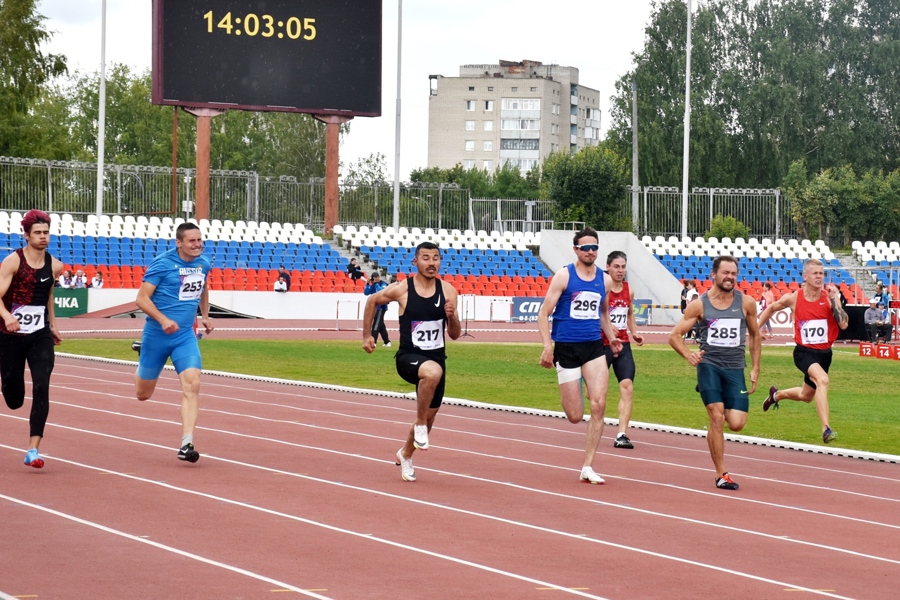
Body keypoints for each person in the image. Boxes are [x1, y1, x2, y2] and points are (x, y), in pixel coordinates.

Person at [362, 241, 461, 482]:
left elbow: (455, 334)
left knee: (431, 416)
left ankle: (406, 454)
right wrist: (367, 335)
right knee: (431, 375)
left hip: (437, 356)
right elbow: (372, 301)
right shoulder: (402, 289)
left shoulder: (448, 291)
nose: (431, 262)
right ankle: (418, 423)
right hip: (408, 357)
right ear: (415, 262)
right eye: (425, 258)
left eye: (435, 258)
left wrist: (452, 316)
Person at [538, 228, 622, 485]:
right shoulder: (564, 276)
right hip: (566, 348)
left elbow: (602, 313)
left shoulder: (605, 280)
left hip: (594, 348)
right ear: (576, 250)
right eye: (585, 248)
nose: (590, 252)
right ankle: (572, 385)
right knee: (575, 415)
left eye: (594, 247)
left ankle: (587, 465)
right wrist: (547, 346)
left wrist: (611, 335)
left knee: (598, 404)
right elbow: (544, 313)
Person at [668, 256, 761, 491]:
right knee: (717, 417)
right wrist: (688, 354)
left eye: (733, 273)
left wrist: (756, 367)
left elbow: (755, 336)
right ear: (714, 275)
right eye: (725, 273)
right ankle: (721, 474)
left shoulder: (746, 303)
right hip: (708, 365)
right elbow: (674, 336)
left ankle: (713, 430)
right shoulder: (699, 305)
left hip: (734, 367)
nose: (729, 277)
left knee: (737, 423)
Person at [133, 223, 214, 463]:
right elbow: (141, 298)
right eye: (192, 241)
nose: (197, 244)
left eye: (200, 240)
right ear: (179, 242)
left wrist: (205, 316)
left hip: (184, 337)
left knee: (193, 383)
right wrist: (163, 319)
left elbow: (203, 288)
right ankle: (141, 354)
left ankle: (186, 443)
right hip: (157, 335)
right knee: (142, 394)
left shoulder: (204, 263)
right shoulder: (163, 264)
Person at [758, 258, 848, 444]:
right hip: (803, 352)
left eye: (821, 273)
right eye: (815, 273)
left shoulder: (829, 297)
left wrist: (835, 299)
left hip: (825, 354)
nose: (819, 277)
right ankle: (826, 429)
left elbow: (844, 324)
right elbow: (772, 308)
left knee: (806, 396)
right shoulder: (795, 298)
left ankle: (776, 395)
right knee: (823, 380)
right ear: (805, 276)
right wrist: (757, 330)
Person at [0, 210, 63, 468]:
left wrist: (54, 326)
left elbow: (47, 296)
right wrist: (6, 316)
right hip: (10, 335)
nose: (43, 237)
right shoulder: (13, 262)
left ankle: (33, 449)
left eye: (46, 232)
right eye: (37, 233)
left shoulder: (55, 265)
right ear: (26, 235)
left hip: (39, 335)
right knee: (14, 398)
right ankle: (12, 388)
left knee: (42, 386)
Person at [601, 251, 644, 450]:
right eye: (616, 266)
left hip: (624, 344)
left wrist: (634, 333)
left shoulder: (629, 290)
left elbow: (629, 314)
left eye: (623, 267)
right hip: (601, 344)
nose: (620, 271)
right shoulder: (601, 288)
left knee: (627, 387)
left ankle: (622, 434)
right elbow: (595, 314)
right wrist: (609, 329)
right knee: (595, 393)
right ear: (608, 267)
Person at [364, 271, 391, 347]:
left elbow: (382, 291)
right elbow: (366, 292)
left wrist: (376, 284)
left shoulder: (383, 284)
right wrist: (367, 284)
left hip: (381, 306)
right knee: (380, 324)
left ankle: (374, 341)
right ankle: (387, 342)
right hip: (374, 307)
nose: (377, 279)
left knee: (376, 324)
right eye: (375, 278)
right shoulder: (372, 285)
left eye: (377, 277)